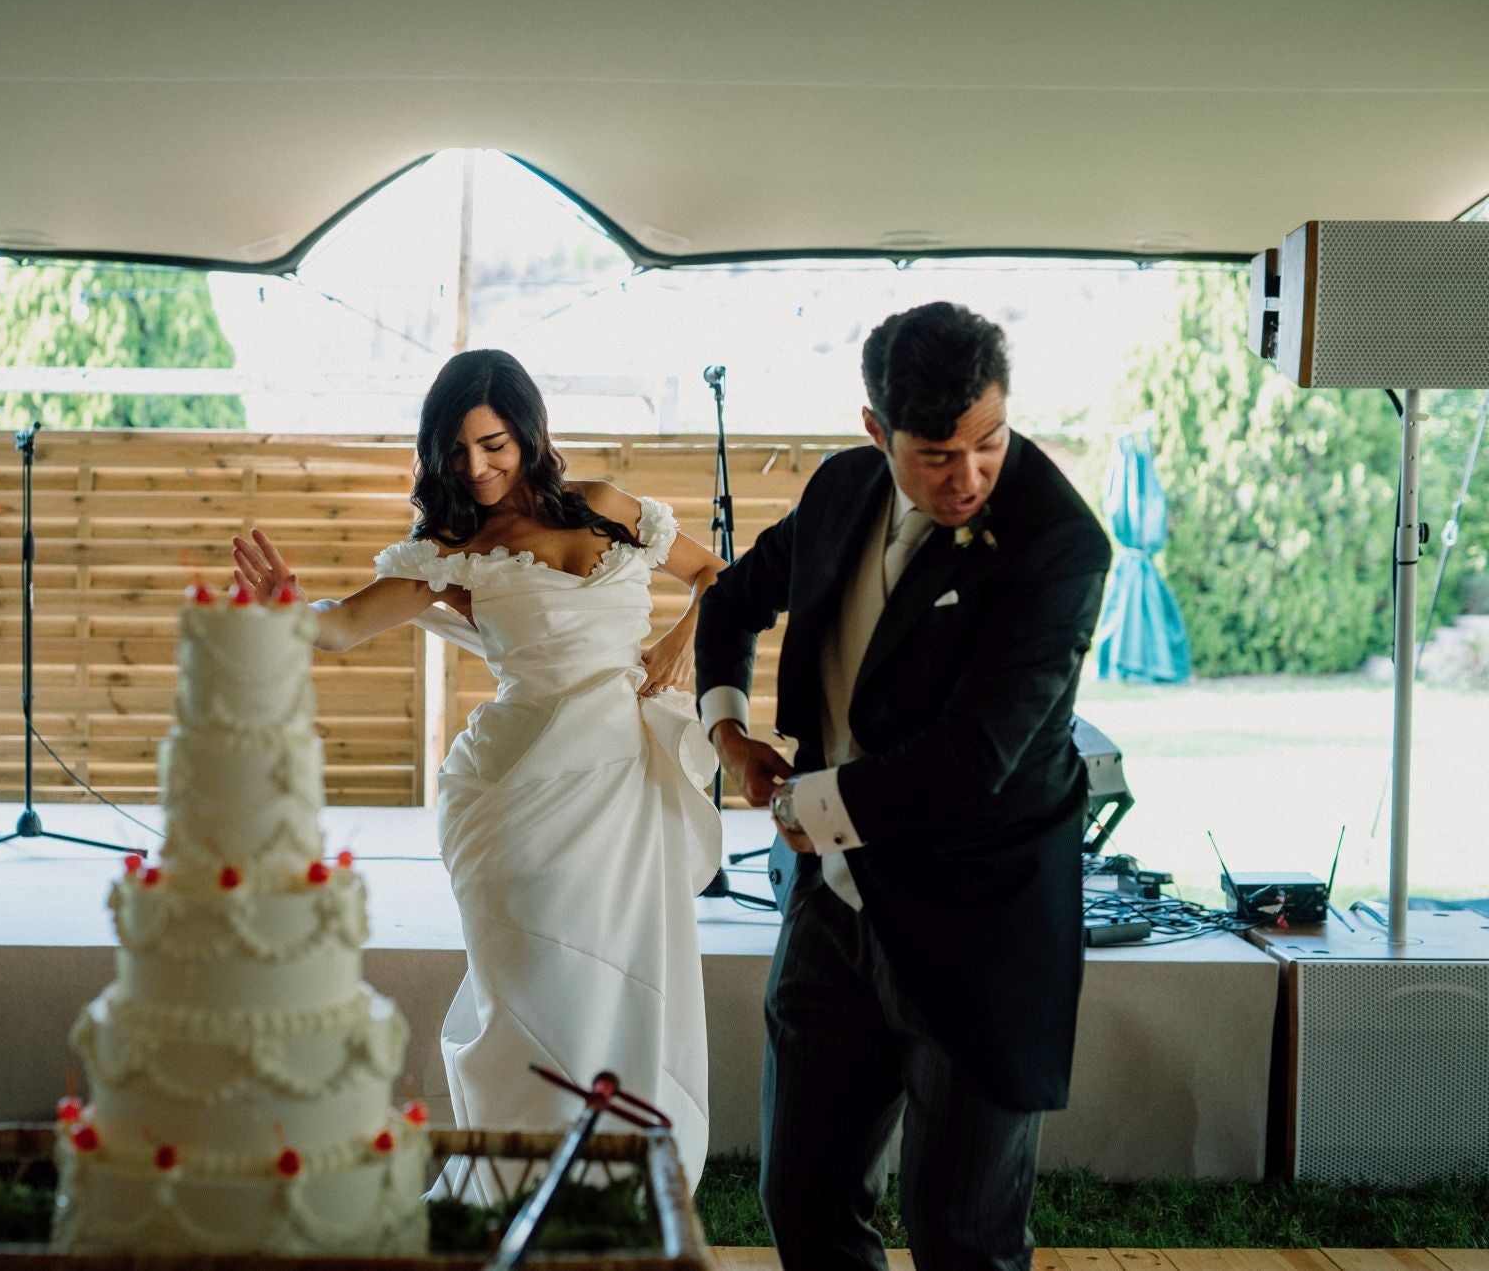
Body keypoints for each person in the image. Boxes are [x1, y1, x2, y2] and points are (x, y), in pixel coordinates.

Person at [232, 348, 725, 1195]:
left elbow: (719, 574)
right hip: (521, 791)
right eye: (456, 452)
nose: (476, 466)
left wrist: (682, 640)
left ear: (529, 432)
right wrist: (291, 609)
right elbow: (343, 628)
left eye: (492, 443)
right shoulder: (454, 545)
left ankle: (616, 1185)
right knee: (539, 988)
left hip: (624, 785)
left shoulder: (612, 509)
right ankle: (524, 1184)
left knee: (628, 985)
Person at [694, 302, 1112, 1271]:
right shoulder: (843, 490)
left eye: (990, 441)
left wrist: (810, 808)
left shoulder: (1059, 544)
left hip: (981, 917)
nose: (969, 475)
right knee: (802, 1199)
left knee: (962, 1231)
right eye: (936, 453)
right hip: (830, 909)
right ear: (876, 431)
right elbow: (732, 598)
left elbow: (977, 755)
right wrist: (726, 731)